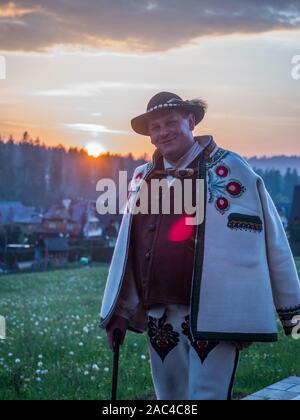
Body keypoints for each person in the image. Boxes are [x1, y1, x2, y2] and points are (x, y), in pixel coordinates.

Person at [99, 92, 300, 400]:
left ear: (190, 122)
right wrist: (120, 312)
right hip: (159, 317)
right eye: (155, 127)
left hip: (216, 317)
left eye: (170, 122)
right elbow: (130, 250)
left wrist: (291, 309)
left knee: (207, 396)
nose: (163, 132)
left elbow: (270, 240)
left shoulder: (232, 171)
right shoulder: (141, 179)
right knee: (169, 398)